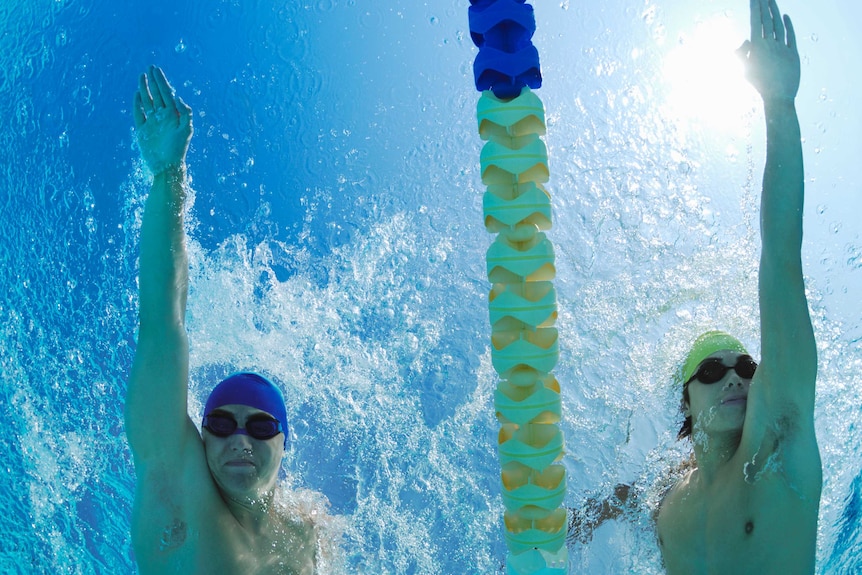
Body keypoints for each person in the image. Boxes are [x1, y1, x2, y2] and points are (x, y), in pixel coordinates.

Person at [570, 1, 822, 572]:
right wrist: (577, 521)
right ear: (686, 400)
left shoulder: (778, 447)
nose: (735, 375)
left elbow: (781, 261)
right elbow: (626, 498)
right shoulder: (669, 499)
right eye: (712, 371)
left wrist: (780, 107)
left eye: (746, 367)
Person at [125, 66, 317, 575]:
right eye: (220, 423)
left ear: (283, 442)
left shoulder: (306, 535)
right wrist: (168, 173)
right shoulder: (179, 487)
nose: (239, 438)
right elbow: (163, 324)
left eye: (259, 426)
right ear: (200, 435)